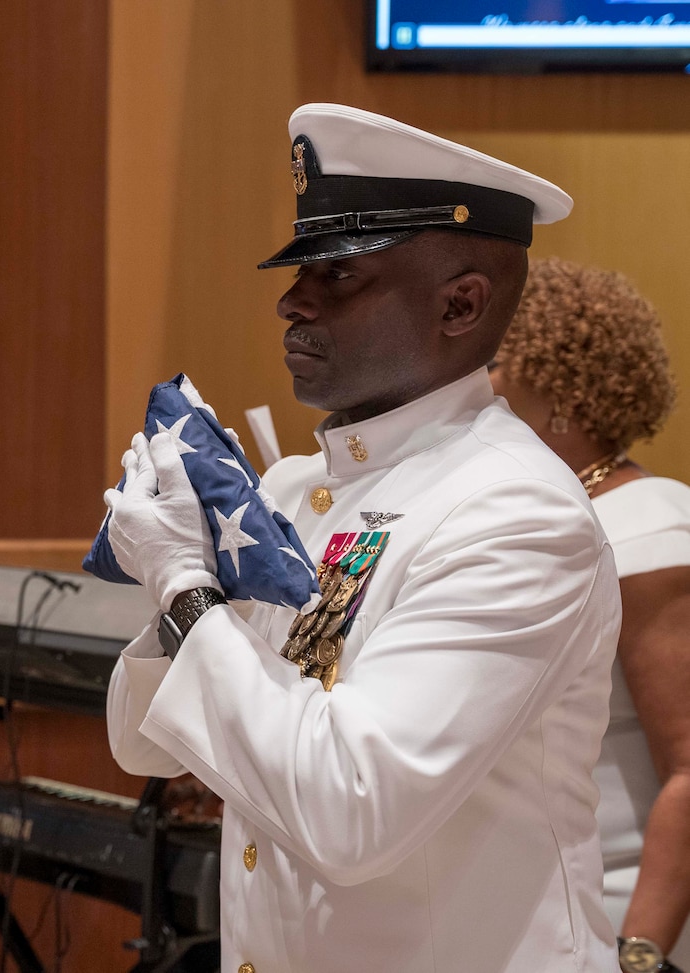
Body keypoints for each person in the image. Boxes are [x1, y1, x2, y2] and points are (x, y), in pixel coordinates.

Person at [104, 103, 622, 973]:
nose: (289, 300)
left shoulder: (517, 515)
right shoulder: (295, 489)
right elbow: (142, 740)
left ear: (462, 303)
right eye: (298, 269)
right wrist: (174, 578)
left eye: (337, 276)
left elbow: (351, 809)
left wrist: (186, 585)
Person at [493, 257, 690, 973]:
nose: (477, 388)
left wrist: (640, 956)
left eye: (495, 365)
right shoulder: (559, 514)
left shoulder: (647, 530)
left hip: (626, 923)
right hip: (546, 920)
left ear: (561, 390)